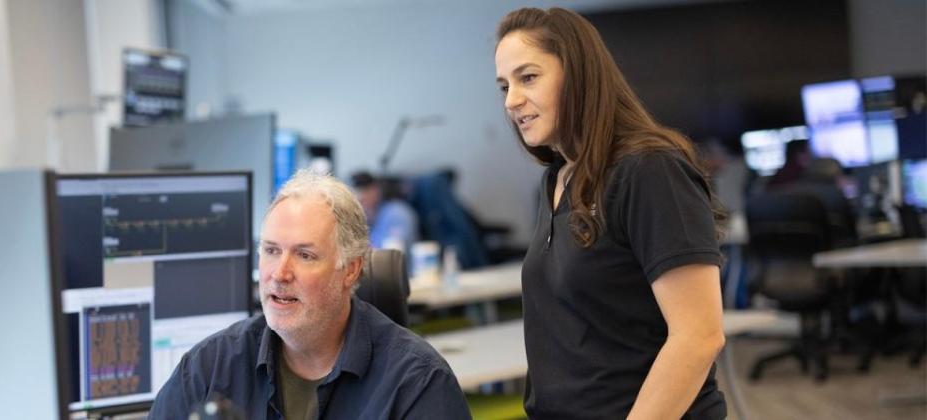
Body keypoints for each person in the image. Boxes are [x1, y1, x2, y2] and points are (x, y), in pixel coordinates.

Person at [494, 7, 728, 419]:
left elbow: (698, 336)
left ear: (579, 74)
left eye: (528, 77)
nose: (512, 101)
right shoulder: (556, 181)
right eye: (504, 86)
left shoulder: (650, 169)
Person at [150, 170, 470, 419]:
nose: (280, 273)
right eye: (271, 251)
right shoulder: (208, 370)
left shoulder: (417, 384)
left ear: (351, 270)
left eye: (304, 255)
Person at [351, 171, 419, 251]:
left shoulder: (397, 213)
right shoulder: (365, 217)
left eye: (365, 191)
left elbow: (393, 254)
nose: (360, 197)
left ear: (376, 189)